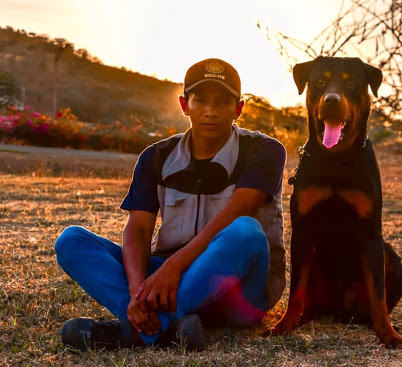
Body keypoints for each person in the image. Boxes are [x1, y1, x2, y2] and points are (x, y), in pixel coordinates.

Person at [54, 58, 286, 351]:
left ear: (238, 108)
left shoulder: (265, 151)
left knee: (246, 231)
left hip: (237, 291)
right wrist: (138, 290)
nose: (210, 111)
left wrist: (175, 267)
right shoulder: (156, 156)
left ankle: (134, 333)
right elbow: (138, 229)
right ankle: (164, 324)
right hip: (164, 281)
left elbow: (236, 212)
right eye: (200, 100)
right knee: (71, 240)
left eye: (223, 102)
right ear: (184, 104)